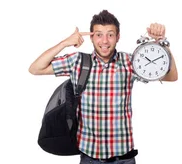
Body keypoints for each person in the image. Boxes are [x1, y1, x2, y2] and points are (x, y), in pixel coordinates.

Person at [28, 10, 177, 163]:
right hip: (89, 158)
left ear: (118, 37)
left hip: (124, 158)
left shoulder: (130, 62)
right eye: (99, 34)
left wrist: (161, 43)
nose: (105, 41)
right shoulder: (77, 61)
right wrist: (64, 43)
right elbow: (35, 68)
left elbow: (172, 77)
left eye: (110, 34)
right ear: (92, 37)